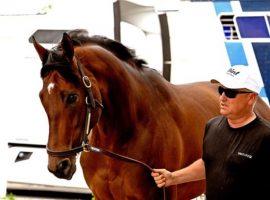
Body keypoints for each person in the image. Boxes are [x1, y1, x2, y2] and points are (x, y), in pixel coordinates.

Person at [151, 65, 270, 200]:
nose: (222, 97)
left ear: (251, 98)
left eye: (231, 93)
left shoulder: (265, 136)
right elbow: (209, 163)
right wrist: (173, 177)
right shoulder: (213, 126)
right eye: (221, 90)